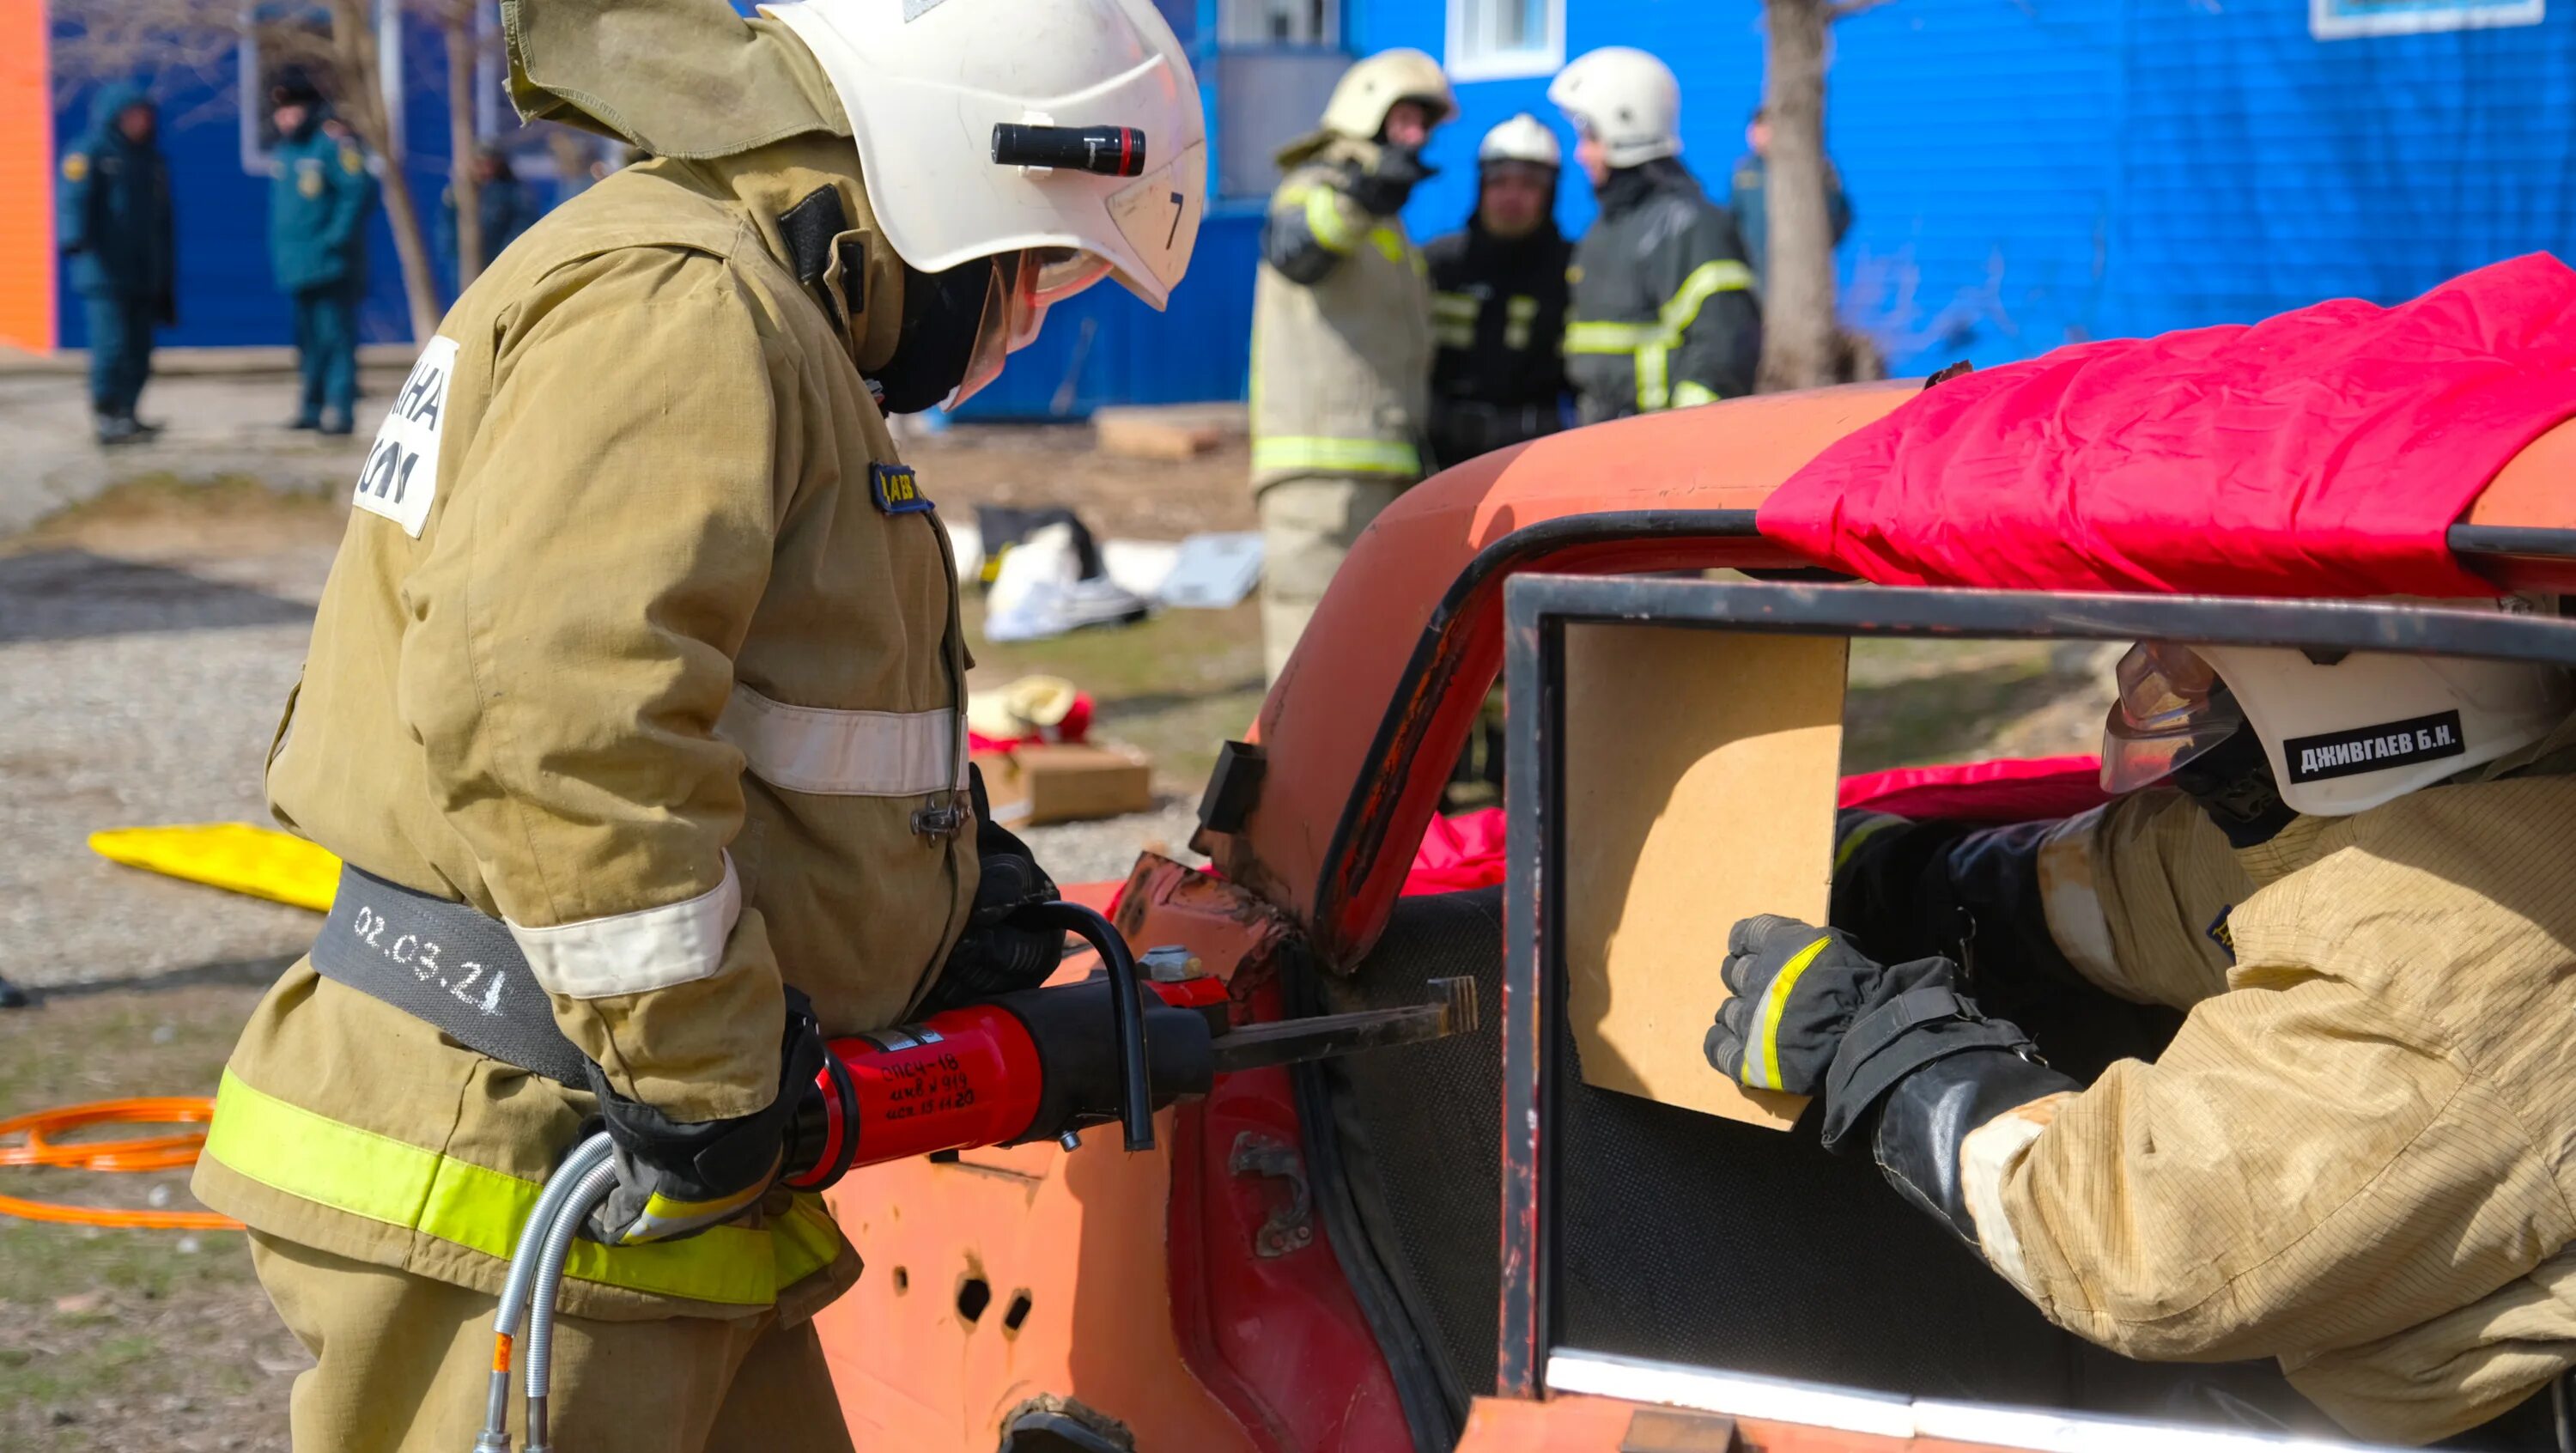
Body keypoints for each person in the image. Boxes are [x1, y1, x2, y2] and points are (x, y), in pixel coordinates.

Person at [189, 0, 1203, 1448]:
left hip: (634, 1157)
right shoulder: (684, 308)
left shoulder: (761, 315)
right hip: (530, 1153)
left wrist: (944, 891)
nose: (1026, 318)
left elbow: (756, 693)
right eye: (1036, 265)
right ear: (941, 175)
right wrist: (708, 1065)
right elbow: (556, 716)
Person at [1705, 617, 2576, 1448]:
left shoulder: (2454, 977)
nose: (2154, 671)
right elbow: (2165, 890)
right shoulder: (2466, 811)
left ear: (2351, 667)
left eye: (2200, 652)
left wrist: (1878, 1044)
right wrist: (1911, 881)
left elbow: (2145, 1247)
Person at [1249, 47, 1451, 682]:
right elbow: (1297, 250)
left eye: (1425, 123)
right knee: (1313, 662)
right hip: (1319, 481)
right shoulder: (1312, 190)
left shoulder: (1389, 227)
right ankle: (1304, 787)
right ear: (1366, 113)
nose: (1417, 137)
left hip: (1382, 470)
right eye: (1405, 119)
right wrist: (1361, 198)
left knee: (1372, 662)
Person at [1548, 47, 1760, 422]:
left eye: (1590, 138)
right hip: (1602, 440)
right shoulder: (1608, 227)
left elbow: (1724, 347)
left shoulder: (1691, 225)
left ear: (1623, 126)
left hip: (1657, 447)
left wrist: (1685, 441)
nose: (1581, 155)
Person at [1423, 113, 1572, 471]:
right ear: (1482, 187)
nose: (1511, 196)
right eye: (1499, 181)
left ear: (1550, 193)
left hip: (1535, 460)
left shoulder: (1570, 271)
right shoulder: (1439, 265)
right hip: (1439, 460)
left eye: (1529, 184)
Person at [58, 83, 175, 447]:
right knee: (111, 346)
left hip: (143, 271)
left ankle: (129, 412)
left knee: (140, 350)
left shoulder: (150, 160)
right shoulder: (90, 151)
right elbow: (73, 199)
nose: (139, 122)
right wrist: (74, 238)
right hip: (104, 272)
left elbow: (163, 220)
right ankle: (107, 415)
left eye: (145, 115)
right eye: (132, 115)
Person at [266, 75, 377, 435]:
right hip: (297, 265)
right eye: (280, 111)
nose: (285, 118)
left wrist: (335, 239)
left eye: (292, 109)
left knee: (336, 339)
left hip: (330, 264)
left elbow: (358, 191)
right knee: (307, 342)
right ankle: (310, 408)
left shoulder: (330, 146)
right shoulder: (286, 153)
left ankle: (341, 411)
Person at [1728, 105, 1851, 289]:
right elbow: (1734, 219)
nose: (1757, 134)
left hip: (1801, 274)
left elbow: (1840, 214)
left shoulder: (1815, 167)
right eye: (1755, 128)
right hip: (1757, 275)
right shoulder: (1744, 172)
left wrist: (1818, 249)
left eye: (1763, 127)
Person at [436, 143, 542, 282]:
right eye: (480, 164)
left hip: (500, 265)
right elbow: (446, 229)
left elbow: (524, 225)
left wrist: (506, 257)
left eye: (491, 164)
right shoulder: (458, 193)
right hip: (465, 265)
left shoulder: (512, 191)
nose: (486, 169)